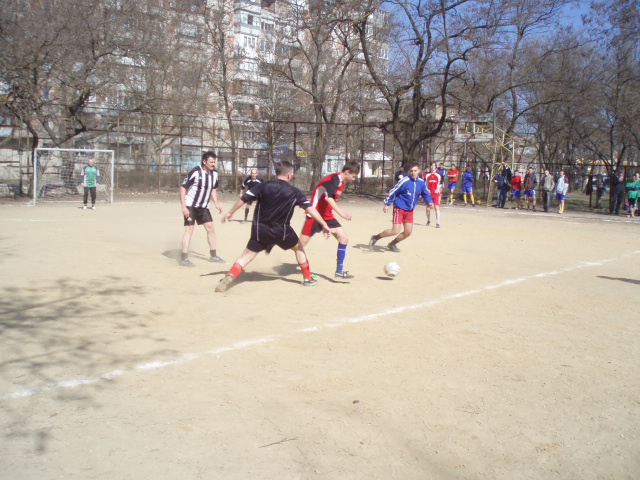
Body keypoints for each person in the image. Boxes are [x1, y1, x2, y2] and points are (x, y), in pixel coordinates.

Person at [215, 161, 330, 292]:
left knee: (246, 256)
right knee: (299, 249)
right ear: (289, 175)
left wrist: (230, 212)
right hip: (282, 231)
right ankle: (308, 278)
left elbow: (244, 199)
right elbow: (310, 209)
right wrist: (323, 224)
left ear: (276, 172)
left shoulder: (262, 186)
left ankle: (230, 275)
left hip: (260, 230)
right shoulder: (295, 192)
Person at [300, 161, 360, 279]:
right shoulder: (334, 179)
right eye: (353, 176)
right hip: (314, 215)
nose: (354, 179)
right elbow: (329, 198)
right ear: (347, 172)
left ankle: (339, 271)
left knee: (344, 239)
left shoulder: (342, 182)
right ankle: (277, 240)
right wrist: (342, 214)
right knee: (300, 245)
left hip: (327, 216)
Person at [368, 163, 433, 252]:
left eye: (415, 171)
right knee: (395, 231)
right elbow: (393, 191)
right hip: (400, 208)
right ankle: (376, 237)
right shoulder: (404, 181)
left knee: (408, 232)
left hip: (410, 210)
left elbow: (426, 193)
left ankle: (392, 244)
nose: (413, 173)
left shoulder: (421, 183)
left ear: (419, 171)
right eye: (411, 171)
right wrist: (387, 204)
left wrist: (429, 202)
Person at [179, 151, 224, 267]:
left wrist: (216, 203)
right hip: (190, 205)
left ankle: (213, 256)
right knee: (189, 229)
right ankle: (184, 258)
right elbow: (183, 188)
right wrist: (184, 207)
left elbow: (213, 188)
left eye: (214, 162)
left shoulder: (215, 174)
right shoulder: (195, 172)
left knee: (210, 228)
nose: (213, 164)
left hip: (203, 206)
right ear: (204, 161)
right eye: (211, 162)